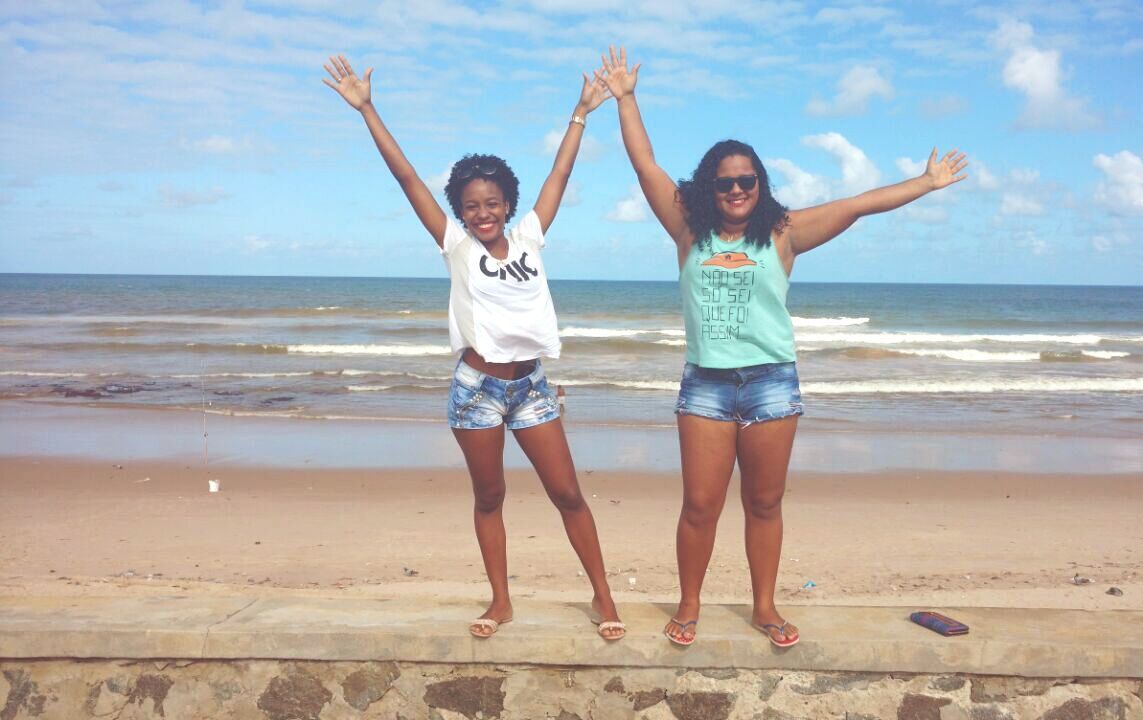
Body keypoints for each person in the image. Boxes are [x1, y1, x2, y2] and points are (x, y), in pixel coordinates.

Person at [598, 46, 966, 647]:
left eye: (747, 180)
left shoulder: (782, 233)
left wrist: (926, 184)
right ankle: (689, 605)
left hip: (771, 382)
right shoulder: (688, 230)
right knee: (699, 506)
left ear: (759, 184)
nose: (737, 188)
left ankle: (765, 608)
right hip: (707, 384)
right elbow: (644, 165)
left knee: (764, 503)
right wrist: (627, 98)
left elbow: (858, 205)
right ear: (708, 188)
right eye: (726, 182)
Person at [323, 55, 625, 640]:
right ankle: (501, 602)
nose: (481, 213)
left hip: (531, 386)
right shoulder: (456, 246)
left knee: (567, 492)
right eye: (470, 206)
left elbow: (559, 176)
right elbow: (407, 177)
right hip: (476, 391)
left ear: (506, 203)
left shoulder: (532, 234)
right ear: (460, 212)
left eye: (491, 203)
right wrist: (367, 109)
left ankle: (603, 598)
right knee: (490, 495)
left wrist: (582, 114)